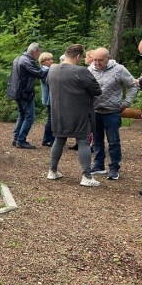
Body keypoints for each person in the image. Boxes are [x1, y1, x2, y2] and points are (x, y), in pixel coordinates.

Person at [47, 44, 102, 186]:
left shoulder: (52, 70)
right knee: (83, 141)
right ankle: (87, 177)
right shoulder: (81, 71)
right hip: (79, 113)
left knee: (59, 140)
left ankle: (52, 171)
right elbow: (97, 90)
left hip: (58, 113)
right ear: (78, 57)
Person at [88, 47, 138, 180]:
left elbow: (133, 85)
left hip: (112, 112)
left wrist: (126, 103)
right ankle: (98, 165)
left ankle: (114, 167)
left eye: (100, 60)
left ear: (108, 59)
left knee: (114, 141)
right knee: (97, 141)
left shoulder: (119, 69)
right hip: (95, 111)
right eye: (95, 60)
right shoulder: (90, 69)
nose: (97, 63)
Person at [7, 42, 48, 149]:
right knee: (29, 117)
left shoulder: (18, 58)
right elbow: (40, 74)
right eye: (39, 53)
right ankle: (21, 140)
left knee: (22, 115)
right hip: (25, 92)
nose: (39, 55)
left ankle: (16, 138)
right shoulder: (28, 60)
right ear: (34, 52)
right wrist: (47, 68)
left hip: (16, 91)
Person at [38, 52, 55, 147]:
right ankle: (48, 139)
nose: (51, 61)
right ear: (43, 62)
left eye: (51, 59)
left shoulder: (47, 70)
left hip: (49, 97)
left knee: (51, 118)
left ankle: (48, 138)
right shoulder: (45, 71)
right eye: (48, 60)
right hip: (49, 98)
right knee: (51, 119)